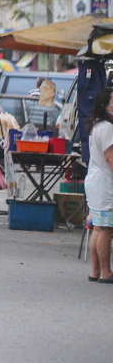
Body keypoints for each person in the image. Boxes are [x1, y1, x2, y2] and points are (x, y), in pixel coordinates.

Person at [85, 88, 113, 282]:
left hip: (94, 181)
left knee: (97, 227)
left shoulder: (96, 125)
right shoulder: (109, 128)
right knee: (105, 229)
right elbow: (111, 158)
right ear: (105, 105)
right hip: (104, 182)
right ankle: (106, 272)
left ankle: (95, 271)